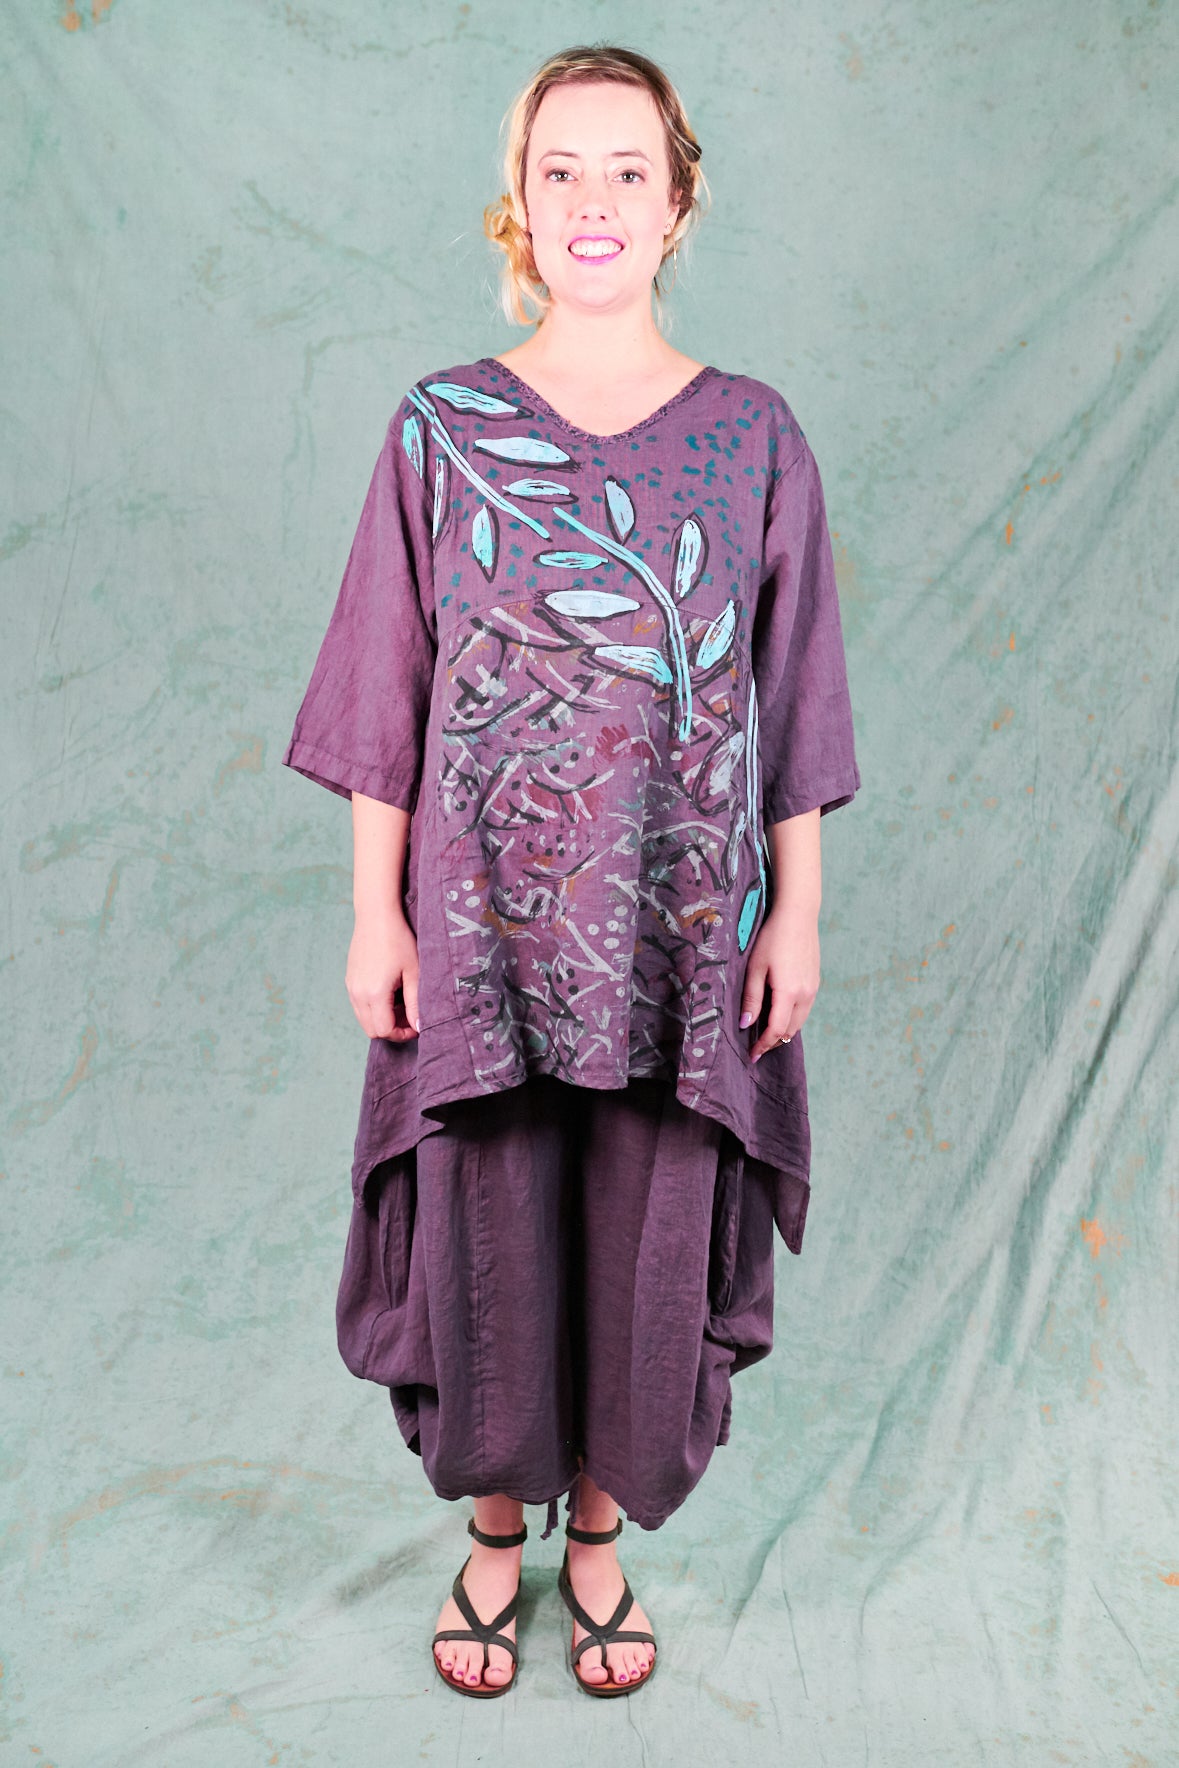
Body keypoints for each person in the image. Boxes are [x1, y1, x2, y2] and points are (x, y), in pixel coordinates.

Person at [282, 43, 860, 1700]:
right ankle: (490, 1529)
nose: (592, 200)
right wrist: (373, 911)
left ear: (675, 205)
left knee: (646, 1217)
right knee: (487, 1214)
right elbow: (385, 687)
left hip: (682, 929)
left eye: (626, 171)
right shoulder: (442, 427)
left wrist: (799, 909)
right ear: (518, 209)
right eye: (560, 171)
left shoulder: (754, 438)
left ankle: (596, 1538)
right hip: (480, 925)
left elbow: (793, 692)